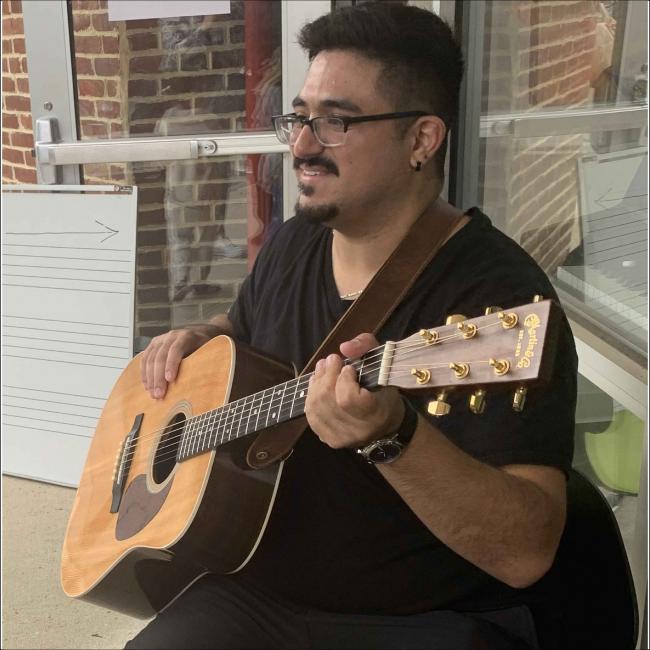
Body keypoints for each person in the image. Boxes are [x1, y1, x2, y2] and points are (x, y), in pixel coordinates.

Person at [131, 3, 576, 648]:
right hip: (254, 590)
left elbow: (525, 551)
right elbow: (241, 324)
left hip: (422, 619)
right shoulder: (295, 241)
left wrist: (394, 437)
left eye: (336, 122)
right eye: (300, 119)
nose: (303, 147)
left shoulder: (498, 302)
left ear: (422, 140)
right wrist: (199, 337)